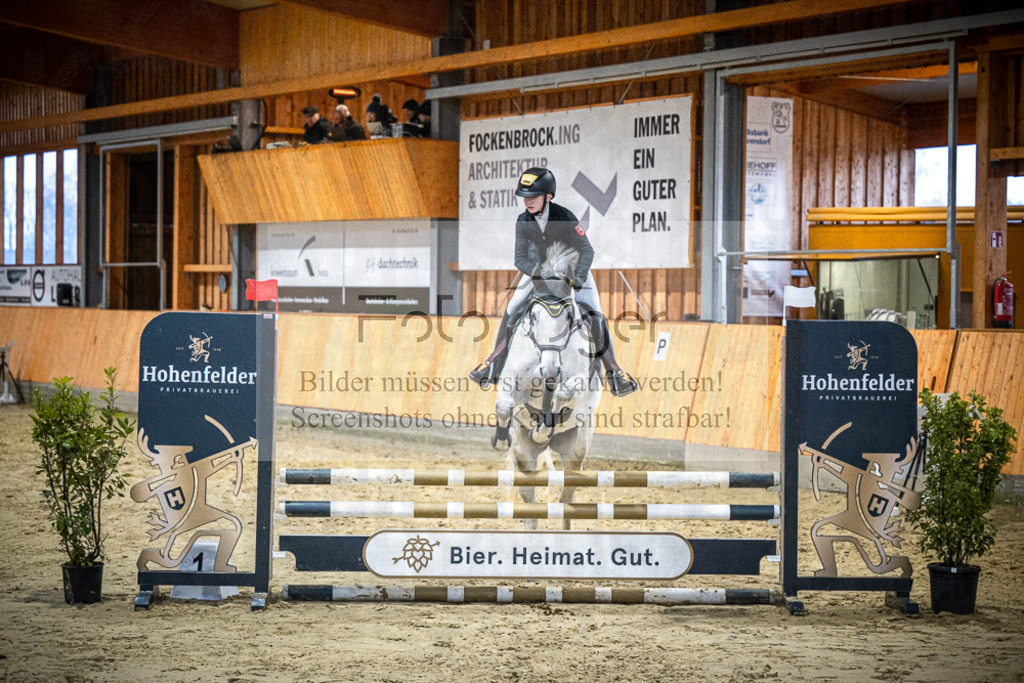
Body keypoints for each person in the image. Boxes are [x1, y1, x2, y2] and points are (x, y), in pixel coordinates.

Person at [468, 167, 638, 397]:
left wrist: (577, 279)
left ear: (548, 196)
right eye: (525, 197)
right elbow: (519, 259)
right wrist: (539, 274)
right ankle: (493, 367)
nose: (528, 202)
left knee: (595, 315)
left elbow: (587, 250)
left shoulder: (565, 217)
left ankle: (614, 374)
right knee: (512, 308)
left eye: (534, 197)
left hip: (575, 272)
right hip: (538, 273)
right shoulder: (523, 220)